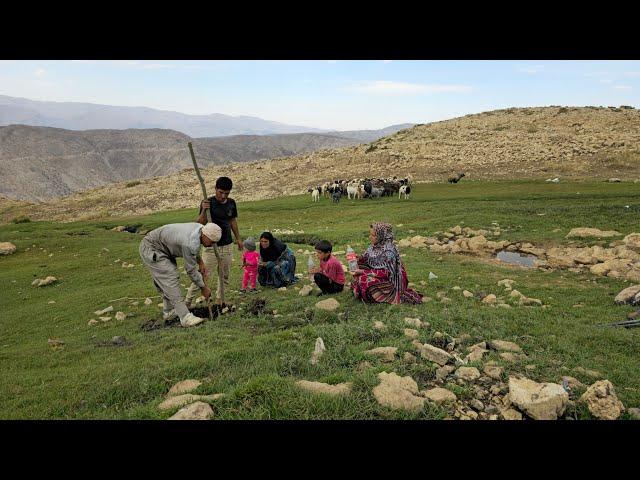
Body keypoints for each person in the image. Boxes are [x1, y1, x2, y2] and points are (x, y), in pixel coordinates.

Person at [139, 222, 222, 327]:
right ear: (205, 235)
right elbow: (190, 270)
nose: (212, 244)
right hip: (152, 248)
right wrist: (203, 287)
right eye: (211, 241)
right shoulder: (190, 243)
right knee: (170, 278)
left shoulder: (199, 228)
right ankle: (185, 317)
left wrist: (200, 262)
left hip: (163, 248)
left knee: (167, 280)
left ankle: (169, 311)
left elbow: (194, 247)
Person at [185, 176, 243, 310]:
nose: (223, 196)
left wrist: (238, 238)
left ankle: (220, 300)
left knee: (224, 275)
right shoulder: (207, 202)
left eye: (226, 193)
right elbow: (199, 224)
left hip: (227, 245)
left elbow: (232, 221)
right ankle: (187, 303)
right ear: (215, 189)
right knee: (202, 275)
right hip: (211, 247)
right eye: (220, 192)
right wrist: (204, 210)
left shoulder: (231, 203)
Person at [351, 222, 423, 304]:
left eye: (373, 235)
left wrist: (363, 272)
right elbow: (367, 259)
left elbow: (387, 273)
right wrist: (358, 258)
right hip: (377, 273)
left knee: (364, 280)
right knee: (358, 265)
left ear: (381, 236)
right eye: (370, 234)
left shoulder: (389, 252)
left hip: (391, 282)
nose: (370, 237)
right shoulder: (373, 246)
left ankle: (376, 294)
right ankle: (362, 290)